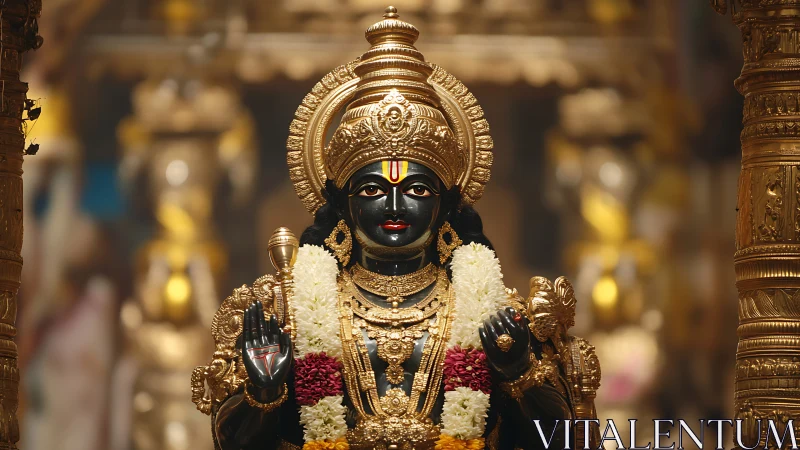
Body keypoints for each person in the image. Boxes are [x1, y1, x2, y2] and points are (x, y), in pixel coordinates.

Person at [192, 7, 600, 450]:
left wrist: (519, 373)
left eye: (417, 190)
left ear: (446, 204)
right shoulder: (289, 311)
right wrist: (264, 391)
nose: (393, 205)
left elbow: (566, 439)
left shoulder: (492, 312)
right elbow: (230, 442)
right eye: (371, 189)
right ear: (342, 203)